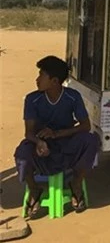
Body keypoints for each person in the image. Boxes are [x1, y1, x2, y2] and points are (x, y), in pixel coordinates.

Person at [14, 56, 99, 217]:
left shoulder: (72, 97)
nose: (37, 79)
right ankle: (34, 188)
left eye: (41, 75)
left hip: (66, 142)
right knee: (22, 153)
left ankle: (76, 183)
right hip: (41, 145)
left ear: (54, 81)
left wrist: (57, 133)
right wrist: (39, 142)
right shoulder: (33, 99)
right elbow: (29, 133)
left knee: (91, 140)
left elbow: (85, 126)